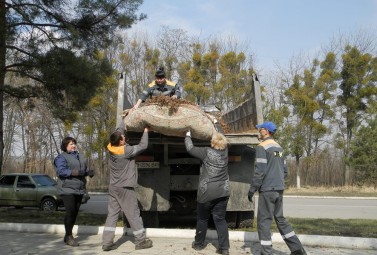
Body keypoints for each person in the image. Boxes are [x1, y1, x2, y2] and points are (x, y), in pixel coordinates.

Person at [248, 121, 307, 255]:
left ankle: (266, 252)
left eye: (260, 129)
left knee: (264, 221)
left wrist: (252, 189)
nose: (259, 131)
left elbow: (260, 171)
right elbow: (285, 171)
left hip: (267, 189)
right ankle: (298, 250)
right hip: (279, 189)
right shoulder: (279, 148)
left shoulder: (262, 147)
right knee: (280, 219)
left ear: (266, 131)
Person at [102, 127, 153, 251]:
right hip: (125, 187)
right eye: (123, 137)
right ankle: (141, 241)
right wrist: (145, 131)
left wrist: (125, 119)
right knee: (133, 214)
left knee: (112, 215)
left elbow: (118, 132)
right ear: (120, 142)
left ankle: (107, 243)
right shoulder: (126, 150)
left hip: (114, 187)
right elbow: (143, 145)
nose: (125, 137)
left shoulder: (110, 147)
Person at [185, 129, 230, 255]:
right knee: (220, 219)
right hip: (223, 192)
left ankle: (199, 245)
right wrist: (216, 125)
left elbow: (190, 148)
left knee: (203, 219)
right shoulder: (226, 152)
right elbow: (222, 137)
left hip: (207, 193)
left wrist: (188, 135)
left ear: (212, 143)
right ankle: (224, 248)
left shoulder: (206, 152)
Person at [54, 137, 94, 247]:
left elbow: (83, 170)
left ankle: (67, 235)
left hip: (79, 188)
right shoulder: (61, 157)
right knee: (70, 211)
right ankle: (69, 236)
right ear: (65, 146)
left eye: (74, 143)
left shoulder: (80, 156)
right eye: (71, 144)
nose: (73, 145)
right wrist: (77, 173)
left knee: (75, 212)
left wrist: (88, 172)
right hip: (67, 188)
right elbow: (61, 171)